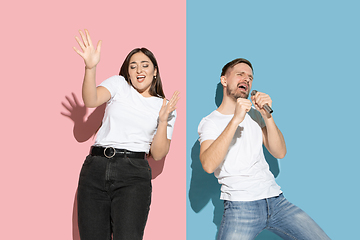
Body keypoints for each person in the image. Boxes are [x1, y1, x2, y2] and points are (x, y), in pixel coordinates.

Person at [198, 58, 330, 240]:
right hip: (240, 206)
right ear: (224, 80)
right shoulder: (210, 122)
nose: (246, 79)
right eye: (240, 74)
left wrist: (267, 116)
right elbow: (208, 165)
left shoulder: (255, 115)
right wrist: (235, 119)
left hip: (276, 201)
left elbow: (280, 152)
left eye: (250, 77)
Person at [73, 29, 179, 240]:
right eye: (133, 66)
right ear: (128, 72)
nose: (139, 69)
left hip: (133, 174)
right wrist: (90, 67)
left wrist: (163, 119)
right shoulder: (119, 84)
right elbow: (91, 100)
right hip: (96, 167)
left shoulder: (165, 106)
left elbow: (158, 154)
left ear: (155, 71)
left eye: (145, 65)